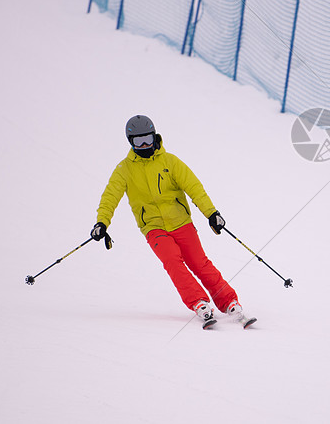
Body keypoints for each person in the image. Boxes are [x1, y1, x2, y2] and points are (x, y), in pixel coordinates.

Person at [90, 115, 253, 329]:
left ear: (155, 136)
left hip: (181, 222)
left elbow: (194, 187)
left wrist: (211, 213)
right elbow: (110, 196)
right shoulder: (125, 170)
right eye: (138, 141)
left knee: (199, 263)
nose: (145, 145)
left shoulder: (170, 162)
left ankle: (229, 301)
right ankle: (200, 303)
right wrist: (102, 222)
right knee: (173, 262)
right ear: (130, 142)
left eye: (148, 139)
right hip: (153, 227)